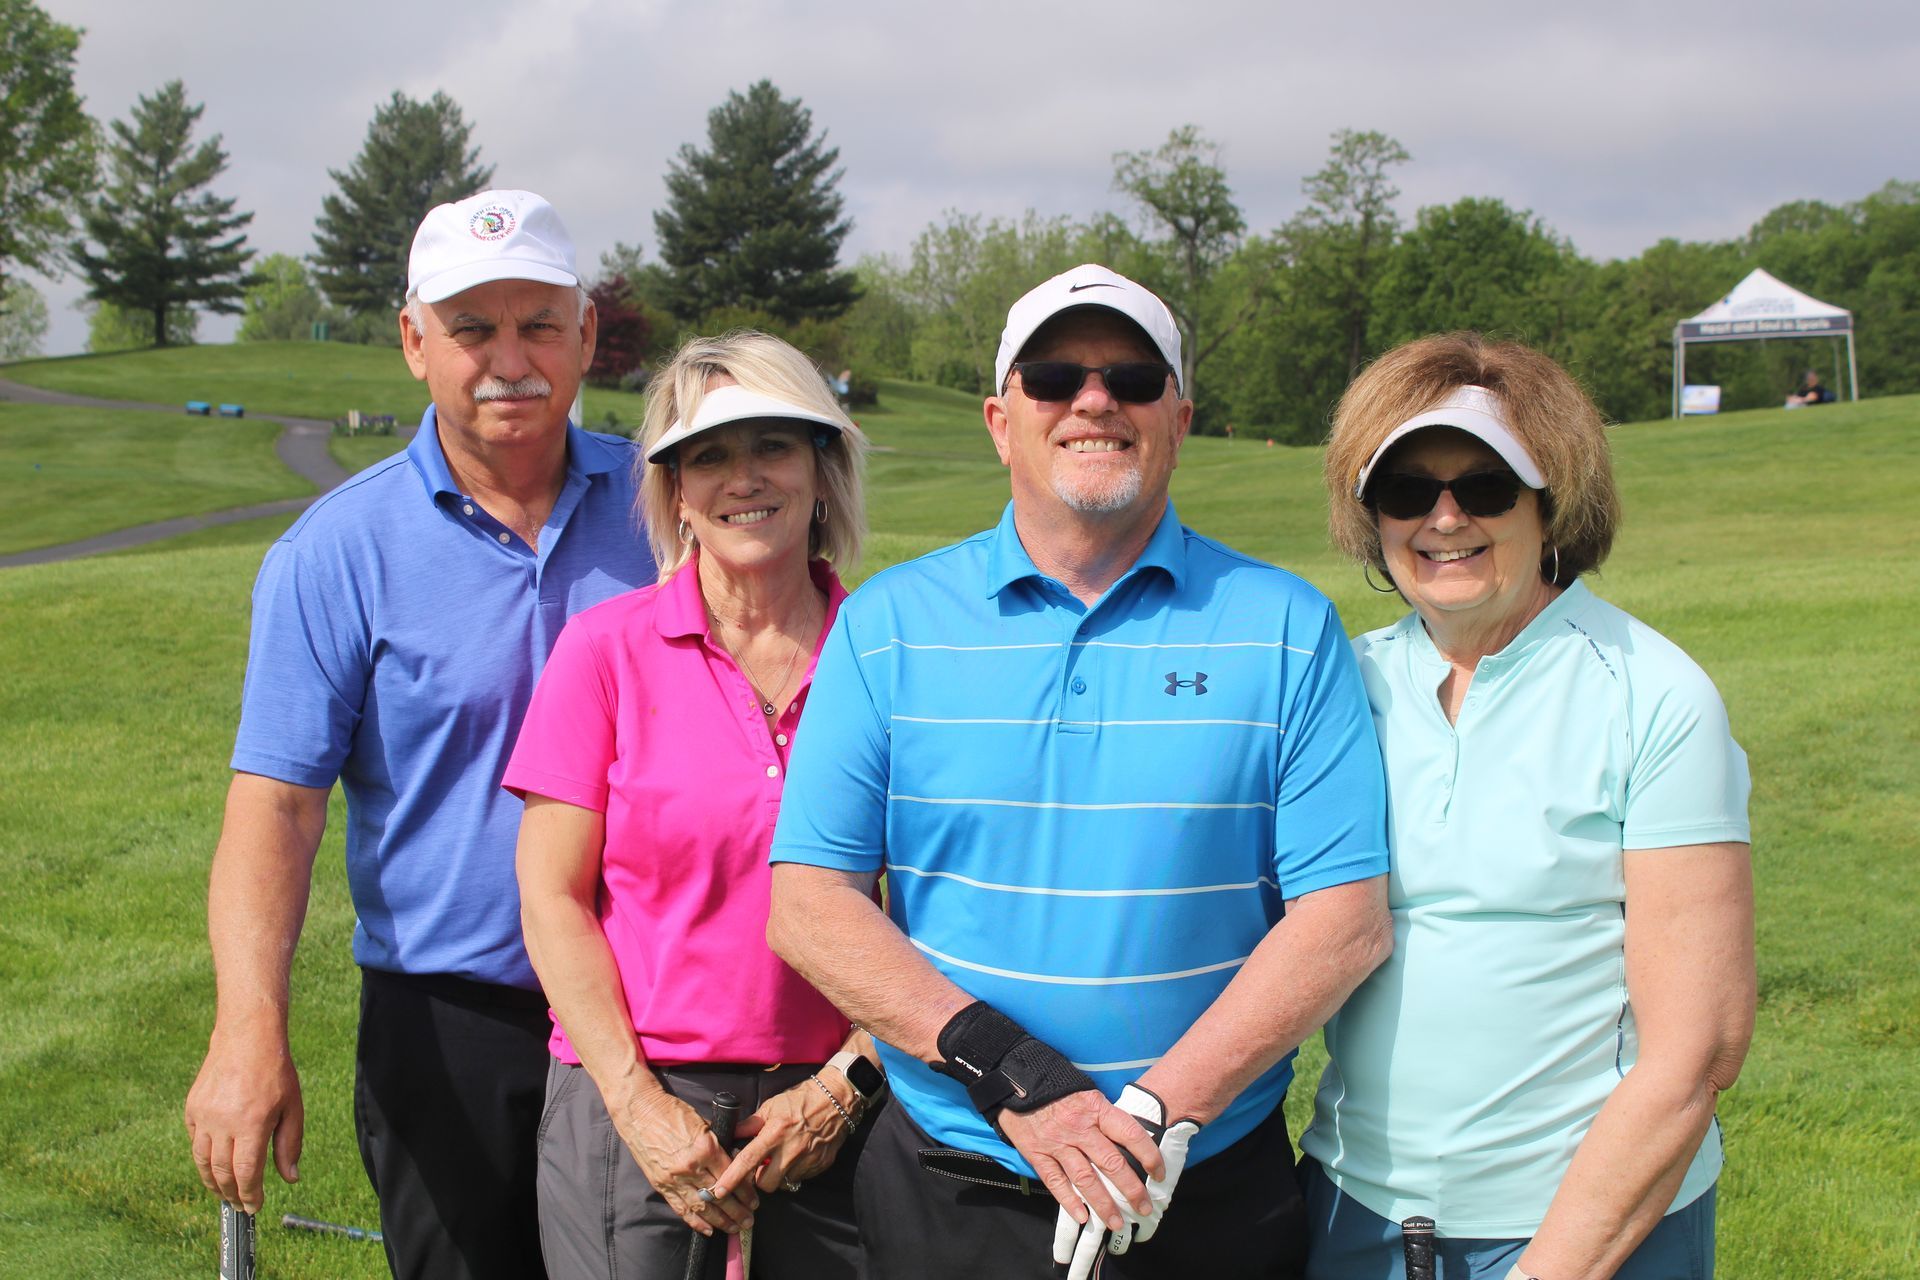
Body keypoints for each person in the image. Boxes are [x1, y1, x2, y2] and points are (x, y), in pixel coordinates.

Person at [765, 264, 1394, 1280]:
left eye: (1133, 379)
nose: (1094, 401)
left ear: (1178, 420)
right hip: (952, 1188)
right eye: (1055, 377)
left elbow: (1343, 920)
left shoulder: (1285, 625)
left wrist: (1153, 1110)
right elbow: (808, 903)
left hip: (1198, 1185)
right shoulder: (888, 625)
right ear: (1000, 420)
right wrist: (1014, 1073)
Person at [183, 189, 658, 1280]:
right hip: (450, 1022)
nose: (510, 360)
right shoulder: (336, 551)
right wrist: (247, 1027)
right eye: (472, 328)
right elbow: (278, 807)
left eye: (539, 324)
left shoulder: (671, 506)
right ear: (413, 342)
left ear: (587, 333)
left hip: (660, 1002)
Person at [1302, 333, 1756, 1280]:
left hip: (1590, 1226)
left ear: (1552, 501)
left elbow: (1698, 1051)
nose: (1445, 516)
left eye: (1486, 485)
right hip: (1351, 1206)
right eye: (1407, 491)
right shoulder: (1341, 683)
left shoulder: (1653, 695)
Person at [505, 331, 883, 1278]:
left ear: (822, 467)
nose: (742, 478)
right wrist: (637, 1104)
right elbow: (552, 898)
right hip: (635, 1104)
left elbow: (942, 903)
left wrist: (846, 1085)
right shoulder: (604, 652)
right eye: (708, 456)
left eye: (773, 445)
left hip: (844, 1107)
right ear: (674, 492)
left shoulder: (889, 655)